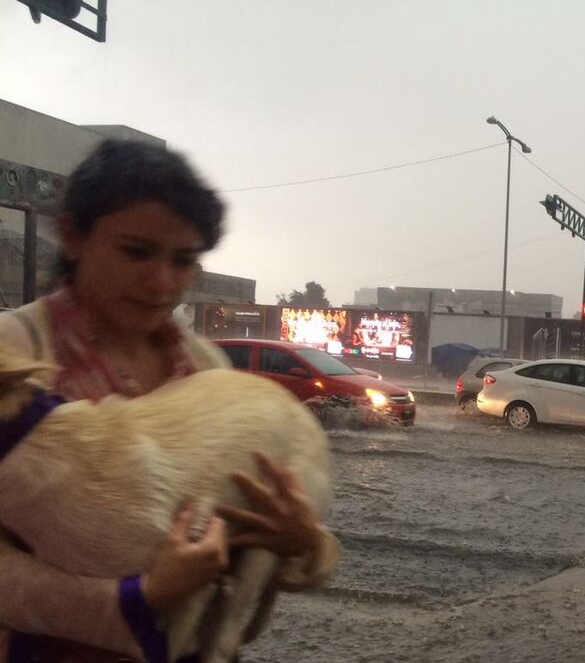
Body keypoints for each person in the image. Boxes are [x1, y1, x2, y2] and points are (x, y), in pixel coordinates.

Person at [0, 139, 341, 663]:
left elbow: (235, 545)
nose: (162, 282)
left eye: (183, 260)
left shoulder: (205, 367)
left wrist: (304, 543)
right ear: (73, 235)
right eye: (136, 251)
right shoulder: (16, 354)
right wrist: (140, 601)